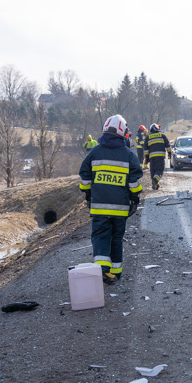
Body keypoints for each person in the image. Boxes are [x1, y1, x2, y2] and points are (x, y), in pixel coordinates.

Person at [79, 114, 143, 285]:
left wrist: (87, 194)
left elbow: (84, 178)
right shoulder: (128, 155)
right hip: (120, 208)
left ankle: (102, 269)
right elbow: (134, 183)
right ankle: (115, 273)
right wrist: (135, 198)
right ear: (123, 132)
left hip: (99, 207)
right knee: (116, 238)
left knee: (100, 236)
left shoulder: (95, 152)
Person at [145, 123, 170, 190]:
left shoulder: (148, 137)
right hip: (160, 157)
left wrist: (147, 159)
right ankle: (155, 181)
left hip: (152, 159)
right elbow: (168, 147)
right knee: (159, 170)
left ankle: (156, 185)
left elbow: (146, 151)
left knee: (153, 171)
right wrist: (170, 154)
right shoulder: (162, 136)